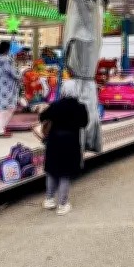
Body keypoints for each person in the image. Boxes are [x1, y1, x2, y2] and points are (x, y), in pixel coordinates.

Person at [39, 81, 89, 216]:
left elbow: (42, 117)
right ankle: (62, 204)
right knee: (64, 174)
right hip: (71, 142)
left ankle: (49, 199)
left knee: (52, 171)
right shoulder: (80, 107)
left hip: (54, 142)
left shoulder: (55, 105)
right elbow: (84, 123)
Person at [0, 41, 20, 137]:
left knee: (0, 109)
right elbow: (15, 73)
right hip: (7, 89)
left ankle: (0, 127)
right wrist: (20, 74)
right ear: (7, 49)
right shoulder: (6, 60)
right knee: (9, 108)